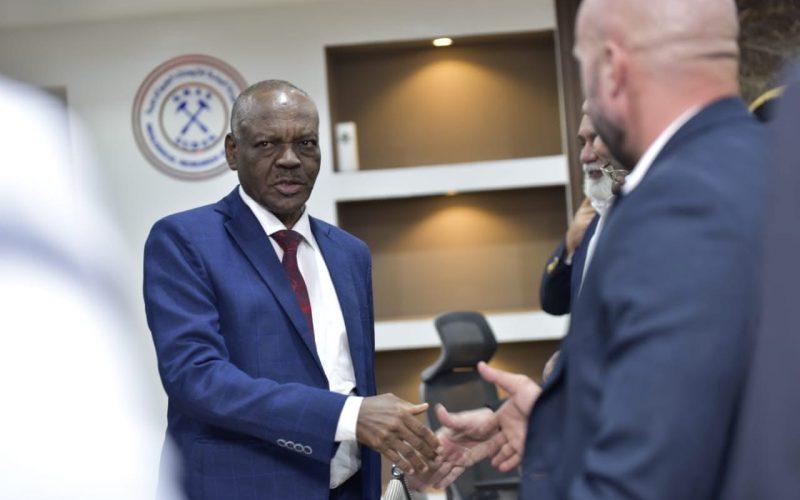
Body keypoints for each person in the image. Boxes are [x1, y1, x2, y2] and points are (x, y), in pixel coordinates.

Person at [418, 0, 770, 498]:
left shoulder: (677, 205)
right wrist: (545, 423)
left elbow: (647, 471)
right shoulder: (764, 168)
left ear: (612, 68)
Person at [143, 80, 440, 500]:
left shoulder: (350, 254)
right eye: (267, 144)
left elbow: (348, 379)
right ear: (232, 151)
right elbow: (197, 378)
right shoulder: (184, 240)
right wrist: (347, 416)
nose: (289, 160)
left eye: (305, 143)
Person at [540, 107, 628, 316]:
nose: (585, 156)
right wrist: (569, 245)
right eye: (582, 144)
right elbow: (553, 302)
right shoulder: (592, 216)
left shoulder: (650, 215)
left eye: (596, 139)